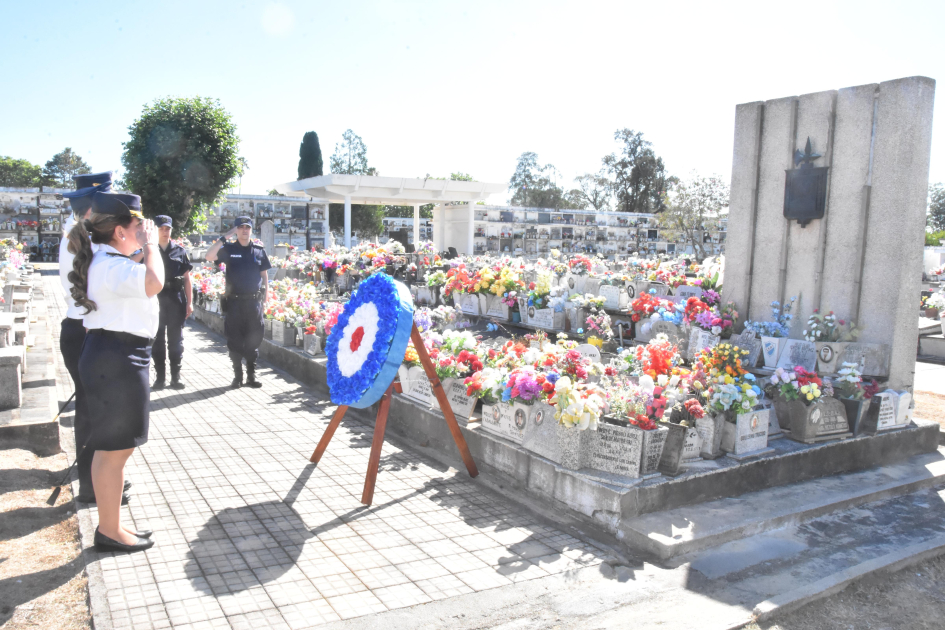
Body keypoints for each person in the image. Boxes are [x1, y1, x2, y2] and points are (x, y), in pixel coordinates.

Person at [68, 191, 163, 553]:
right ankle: (109, 530)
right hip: (118, 360)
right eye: (138, 225)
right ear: (120, 232)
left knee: (114, 449)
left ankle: (112, 526)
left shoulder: (108, 259)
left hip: (117, 357)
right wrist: (153, 247)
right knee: (113, 451)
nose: (143, 231)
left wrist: (143, 249)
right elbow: (153, 282)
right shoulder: (109, 265)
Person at [59, 172, 131, 504]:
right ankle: (93, 487)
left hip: (82, 330)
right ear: (95, 206)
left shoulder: (79, 237)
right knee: (92, 413)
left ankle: (99, 481)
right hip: (86, 331)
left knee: (95, 411)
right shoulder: (82, 240)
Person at [205, 216, 270, 389]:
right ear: (236, 230)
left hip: (254, 303)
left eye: (247, 227)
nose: (244, 230)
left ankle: (251, 376)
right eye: (240, 227)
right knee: (234, 340)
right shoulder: (228, 249)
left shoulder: (258, 250)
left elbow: (264, 274)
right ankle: (237, 376)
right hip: (234, 303)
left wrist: (266, 296)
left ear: (251, 230)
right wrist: (226, 236)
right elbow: (209, 255)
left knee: (253, 340)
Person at [151, 215, 193, 390]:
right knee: (157, 340)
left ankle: (176, 377)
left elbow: (187, 279)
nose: (165, 231)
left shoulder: (179, 251)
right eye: (161, 228)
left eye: (167, 228)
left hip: (176, 300)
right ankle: (160, 378)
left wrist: (190, 303)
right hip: (156, 300)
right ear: (155, 230)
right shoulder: (149, 250)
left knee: (176, 341)